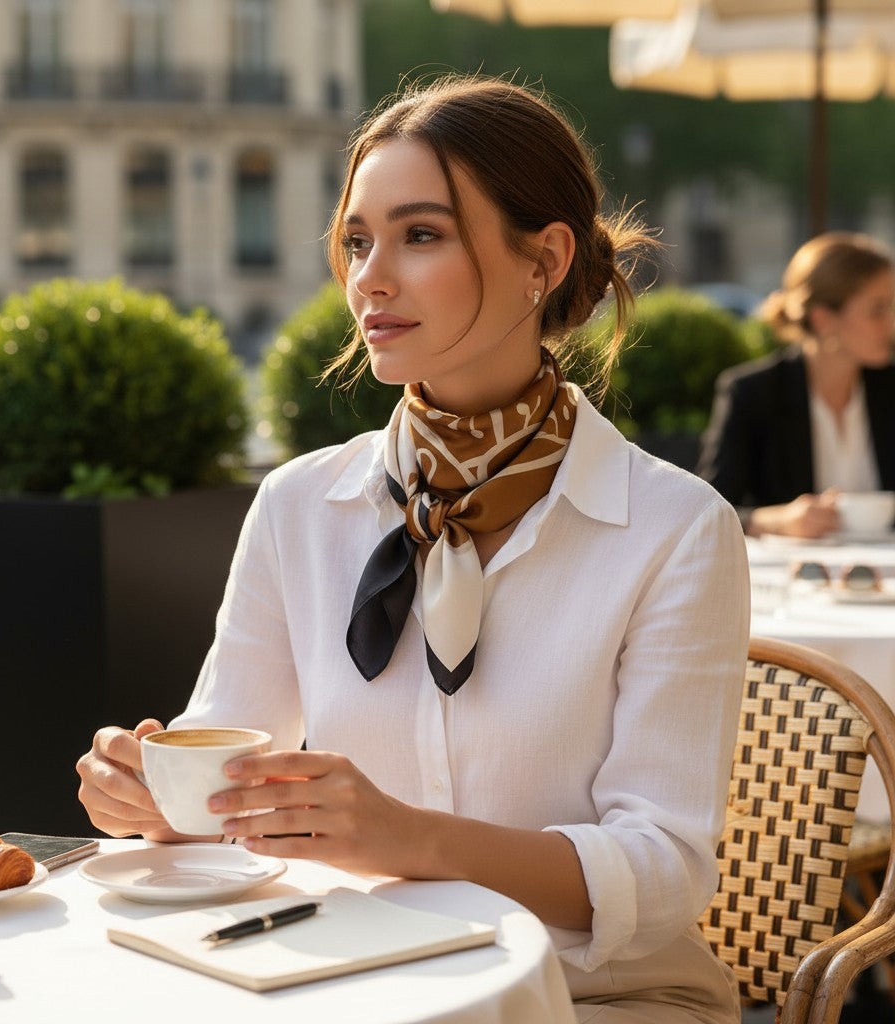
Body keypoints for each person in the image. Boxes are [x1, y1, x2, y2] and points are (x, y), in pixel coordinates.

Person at [77, 75, 749, 1023]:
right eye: (357, 241)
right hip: (340, 982)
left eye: (419, 235)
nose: (369, 278)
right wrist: (152, 794)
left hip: (596, 996)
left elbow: (663, 872)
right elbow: (229, 776)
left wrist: (404, 838)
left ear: (544, 259)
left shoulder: (675, 528)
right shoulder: (299, 505)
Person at [698, 231, 895, 538]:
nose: (891, 323)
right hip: (792, 579)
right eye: (877, 310)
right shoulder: (753, 393)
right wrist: (778, 521)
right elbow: (708, 512)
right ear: (822, 319)